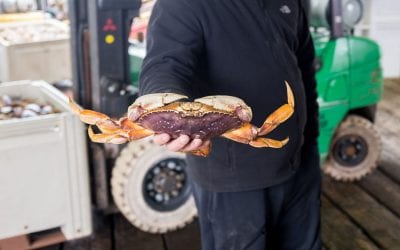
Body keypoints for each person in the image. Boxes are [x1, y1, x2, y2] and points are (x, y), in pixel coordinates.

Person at [139, 0, 321, 249]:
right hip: (234, 181)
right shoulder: (181, 5)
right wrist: (165, 104)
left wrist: (311, 140)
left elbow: (304, 67)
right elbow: (164, 63)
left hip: (300, 164)